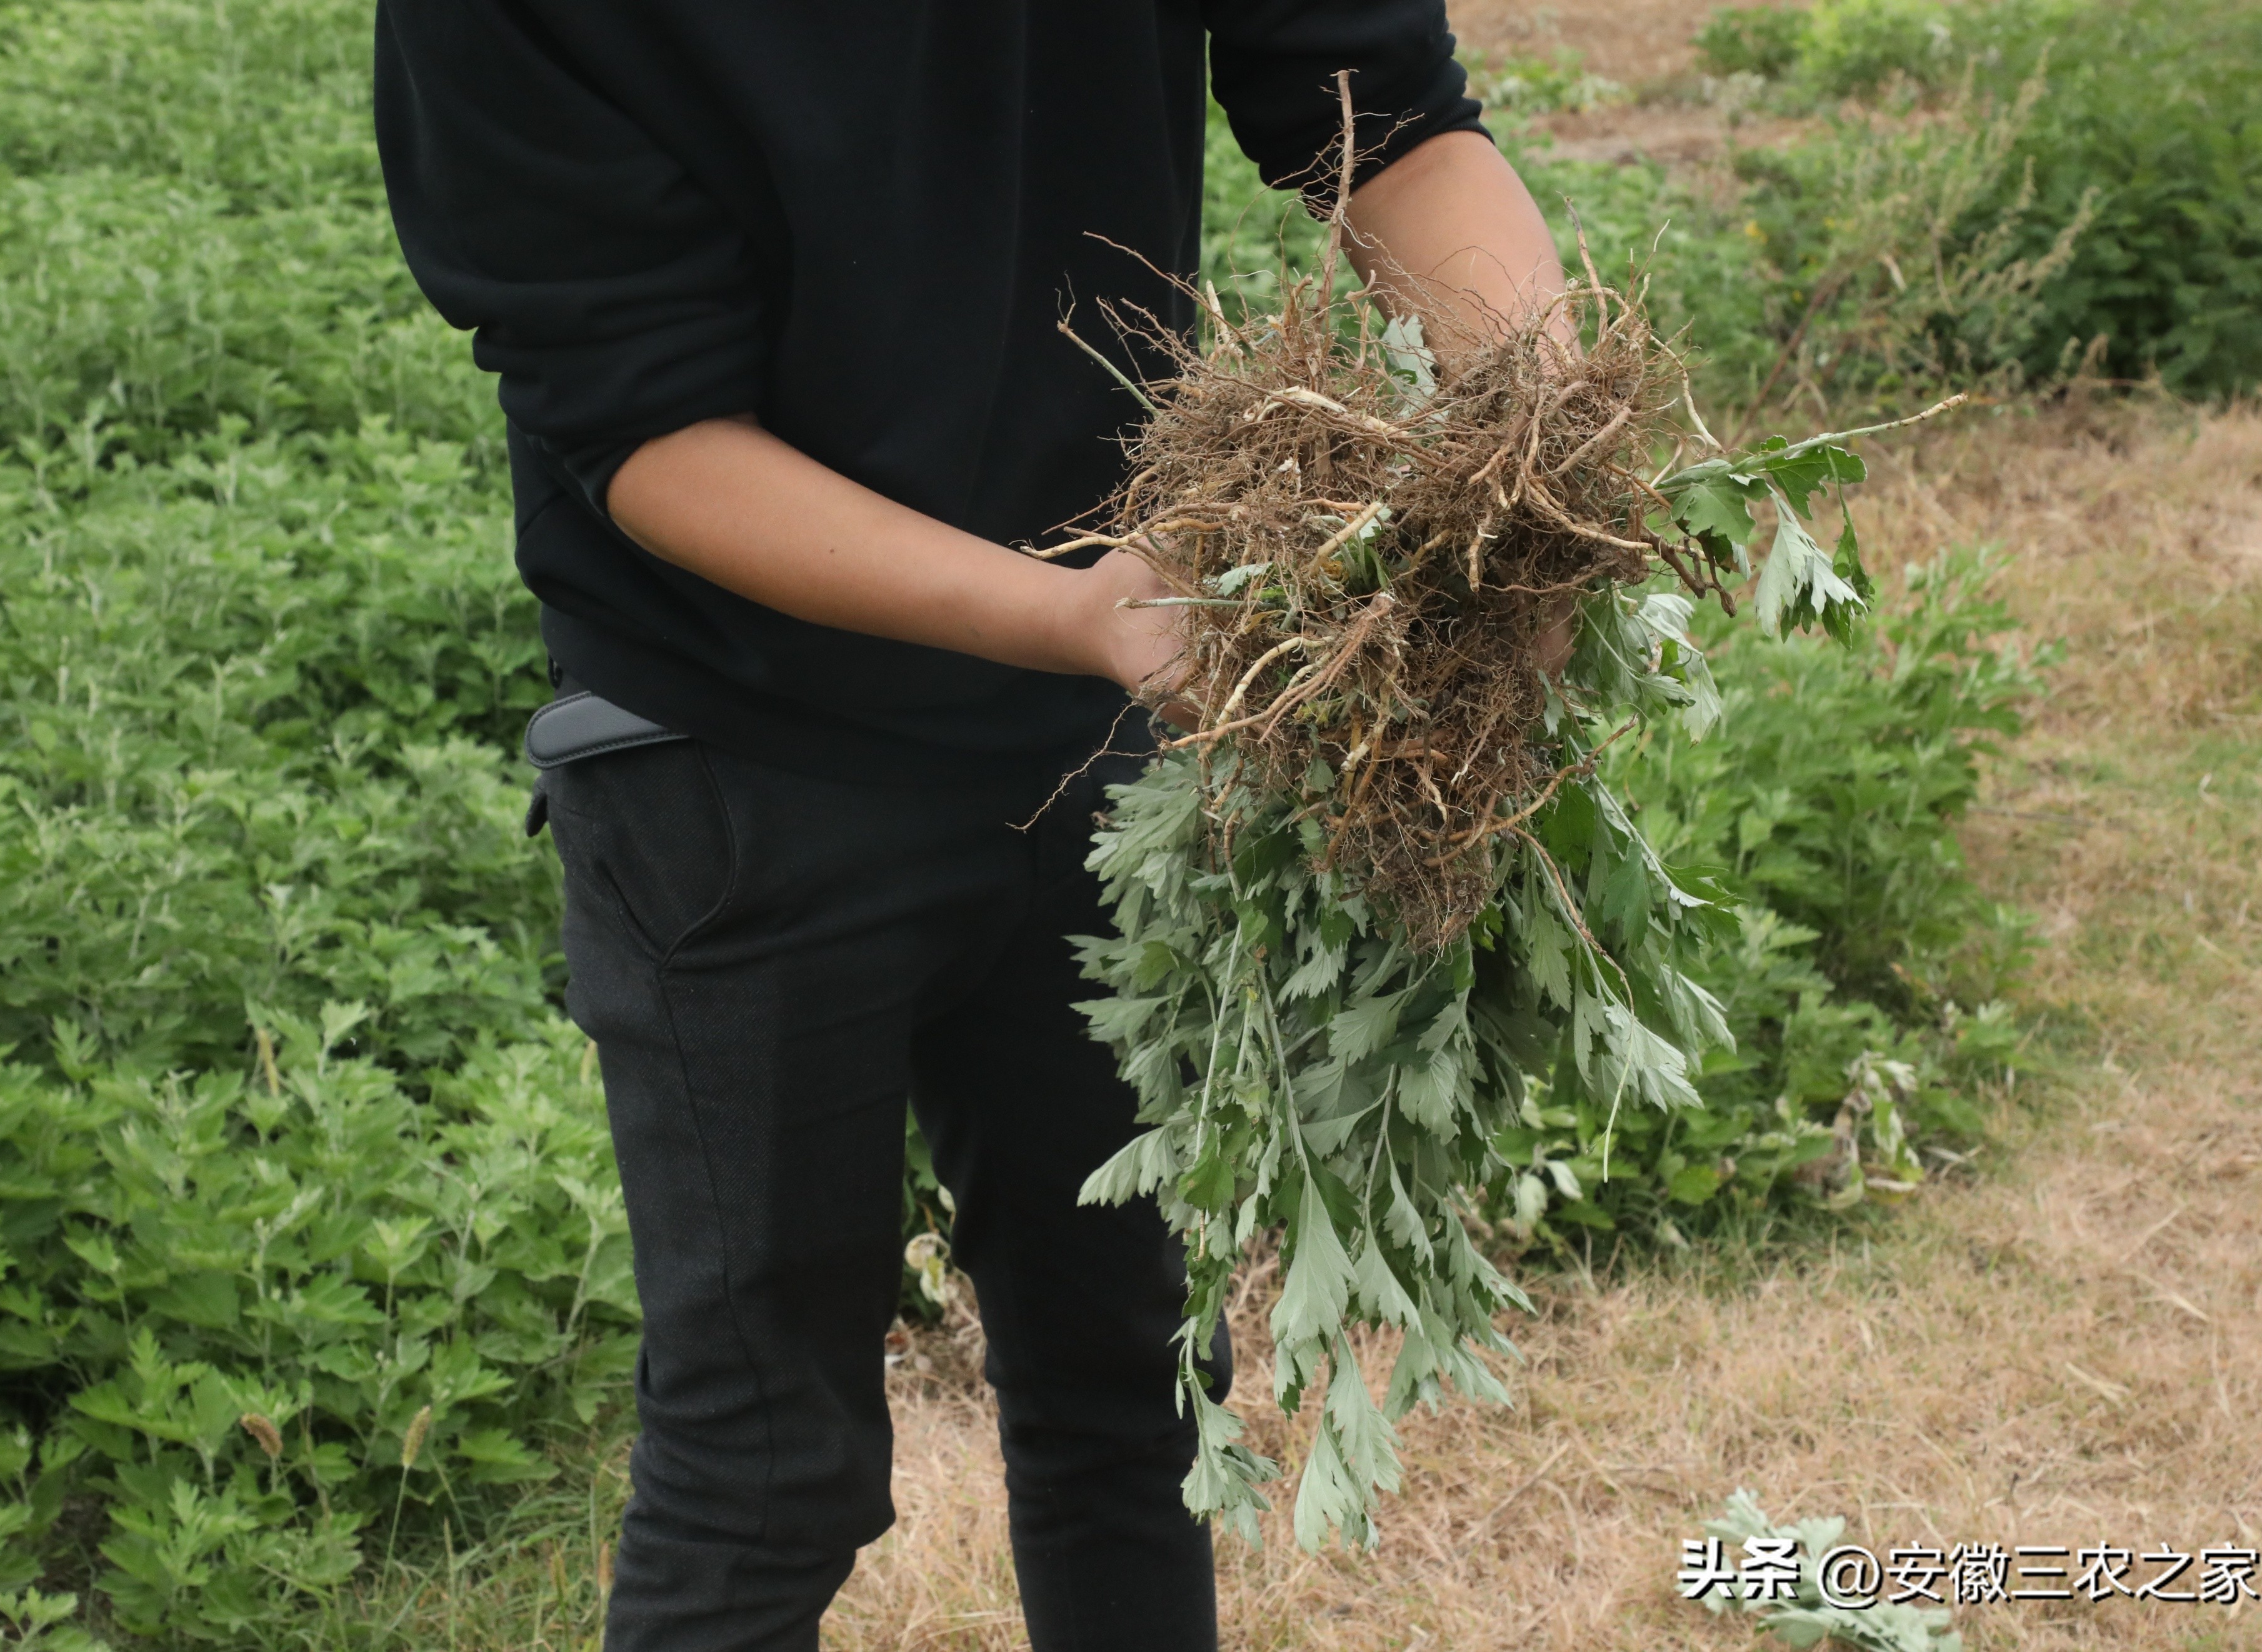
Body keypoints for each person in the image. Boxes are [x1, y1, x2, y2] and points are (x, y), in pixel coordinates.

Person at [373, 6, 1569, 1648]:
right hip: (731, 760)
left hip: (1096, 721)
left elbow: (1382, 113)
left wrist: (1540, 445)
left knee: (1136, 1389)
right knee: (763, 1467)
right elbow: (641, 424)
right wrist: (1064, 617)